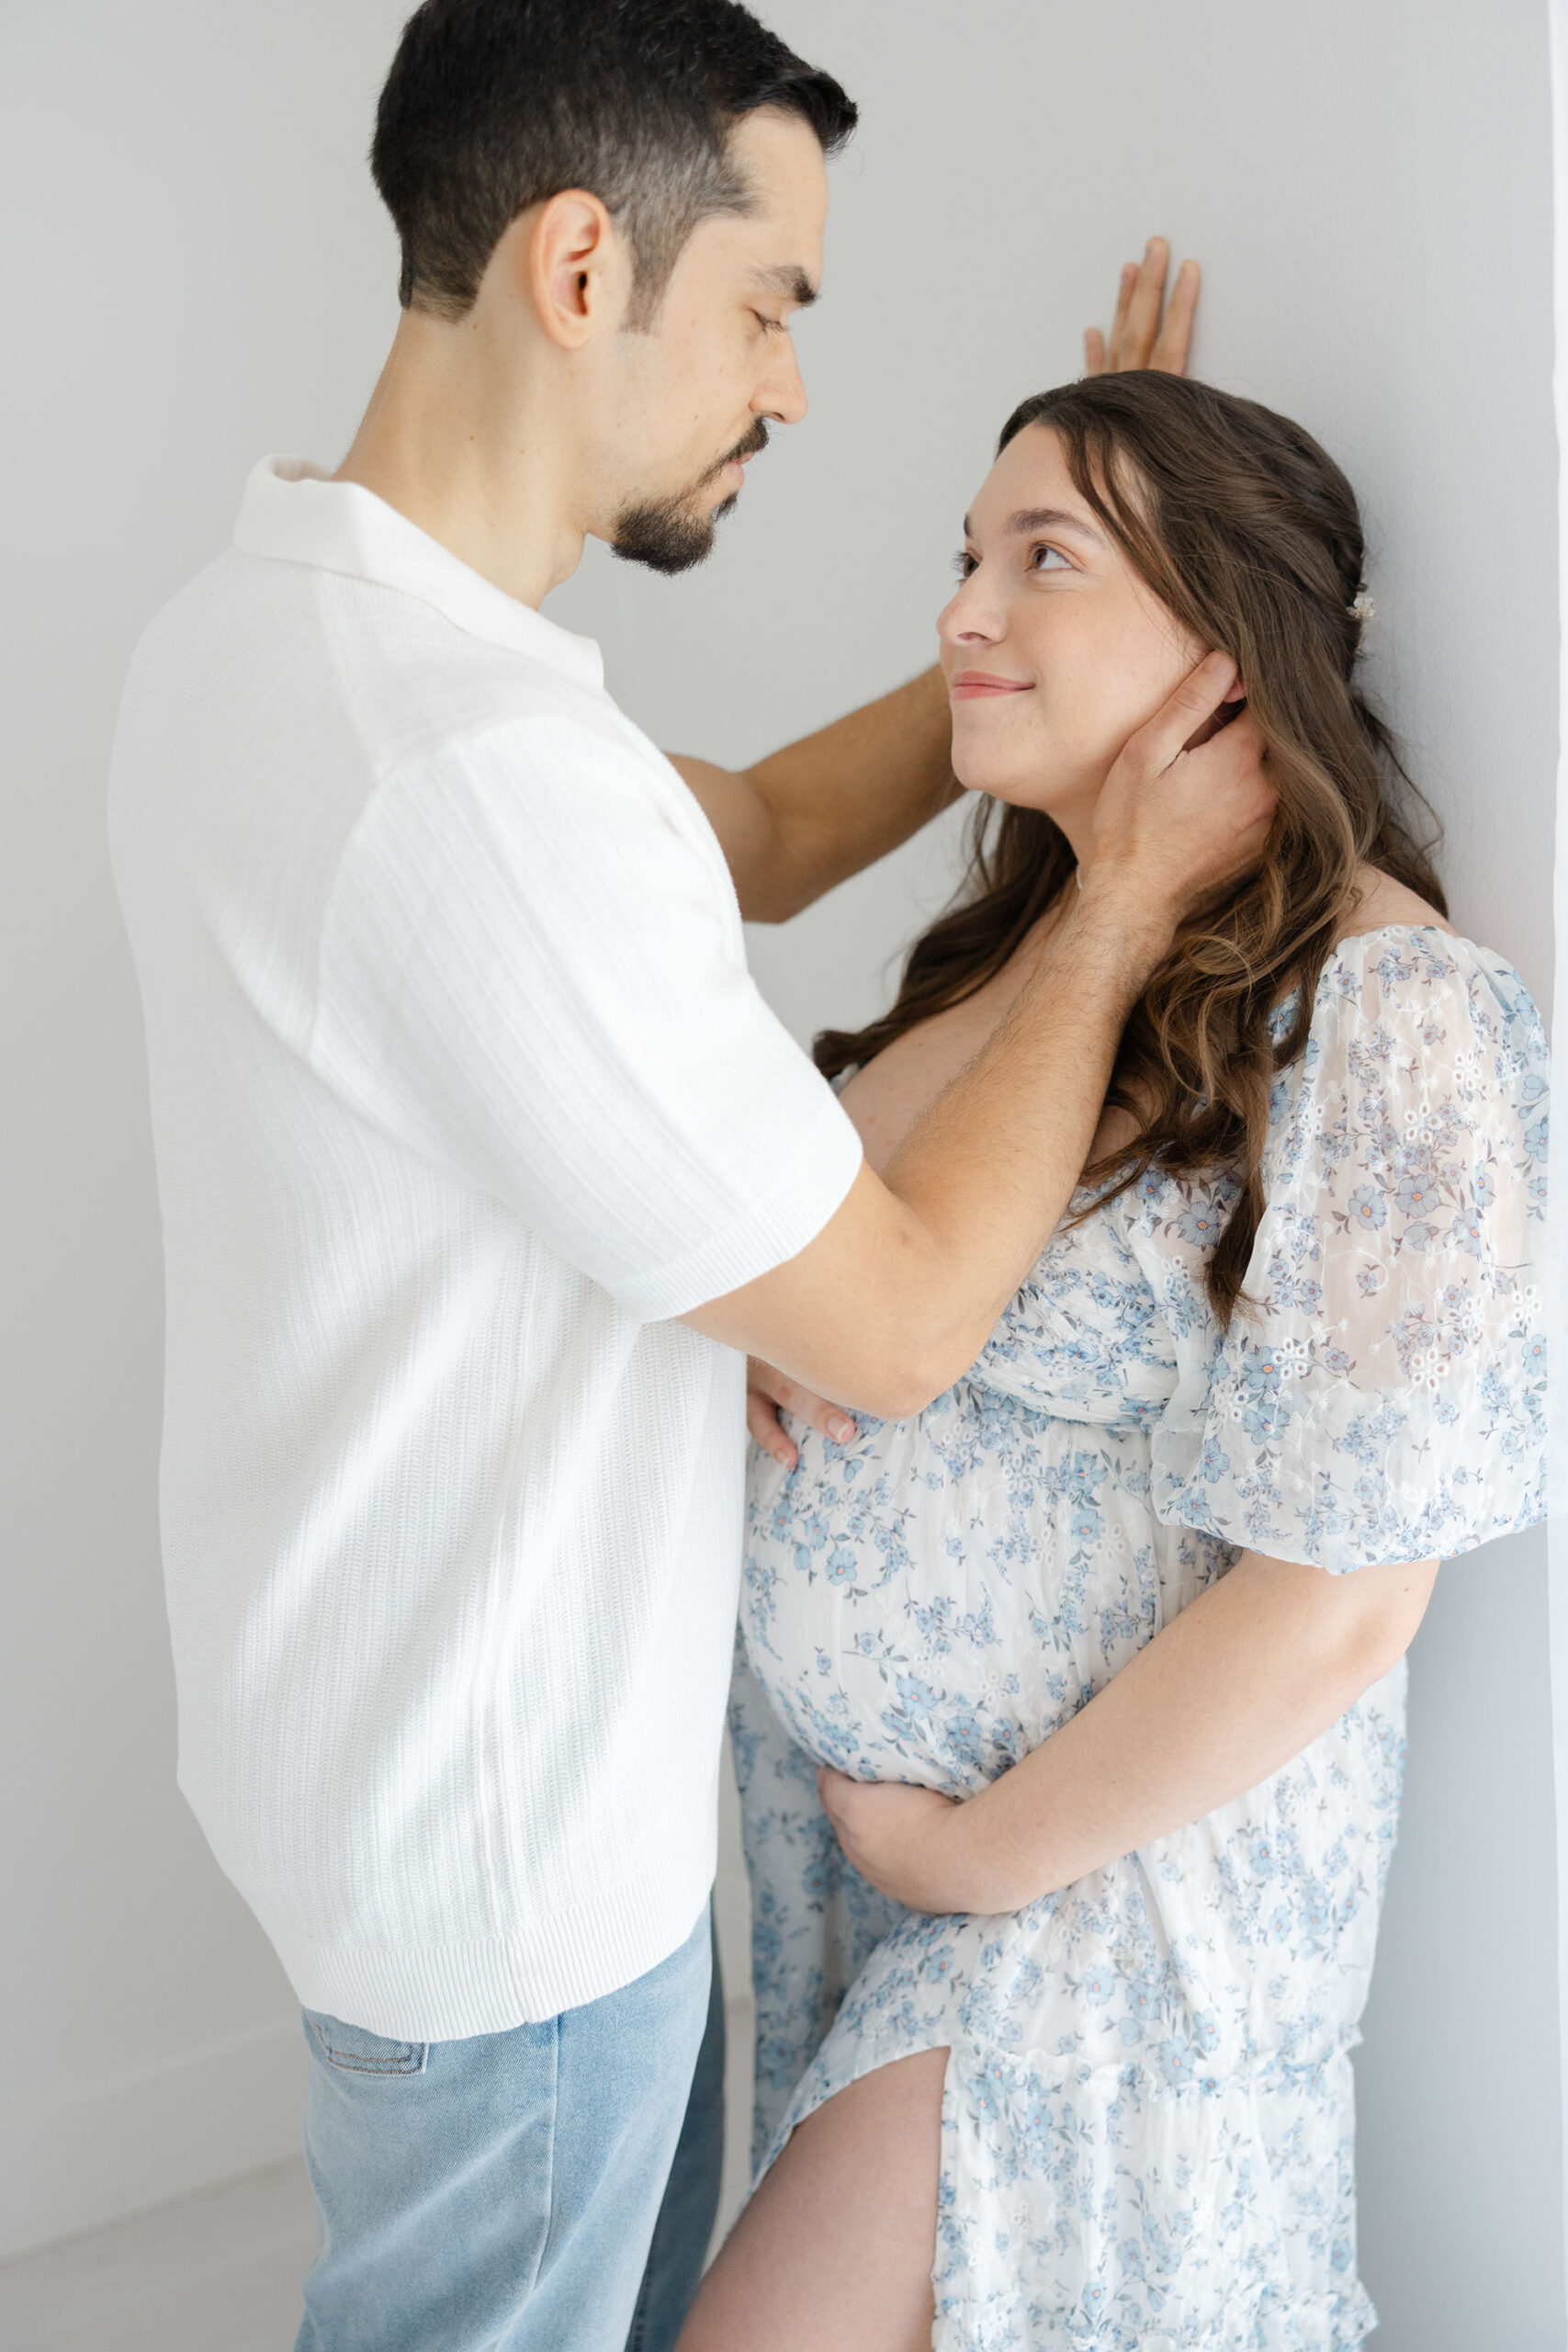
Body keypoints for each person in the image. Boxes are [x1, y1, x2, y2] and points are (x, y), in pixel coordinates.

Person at [106, 3, 1269, 2348]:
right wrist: (1122, 884)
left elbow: (714, 834)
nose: (790, 383)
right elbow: (905, 1308)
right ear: (571, 266)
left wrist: (1026, 630)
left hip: (370, 1760)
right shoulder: (460, 782)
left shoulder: (287, 632)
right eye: (770, 305)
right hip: (512, 1869)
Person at [688, 370, 1551, 2351]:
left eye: (1039, 558)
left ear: (1222, 644)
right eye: (966, 555)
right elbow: (845, 1253)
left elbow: (1344, 1602)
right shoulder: (1027, 949)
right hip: (885, 1872)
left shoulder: (1389, 1004)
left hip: (1109, 1893)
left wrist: (973, 1852)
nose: (959, 615)